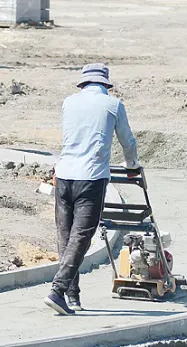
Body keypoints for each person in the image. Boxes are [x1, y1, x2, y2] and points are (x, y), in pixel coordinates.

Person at [45, 63, 139, 316]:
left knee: (65, 236)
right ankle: (58, 289)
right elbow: (127, 141)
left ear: (84, 83)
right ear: (105, 84)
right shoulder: (113, 105)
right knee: (81, 237)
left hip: (64, 175)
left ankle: (71, 295)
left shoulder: (68, 102)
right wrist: (132, 166)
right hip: (92, 178)